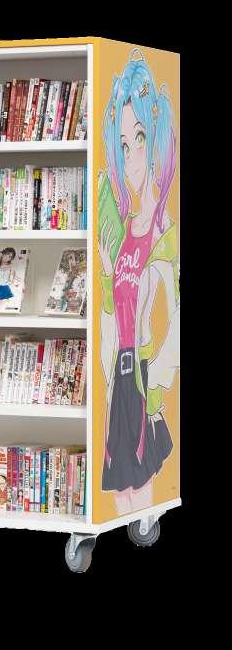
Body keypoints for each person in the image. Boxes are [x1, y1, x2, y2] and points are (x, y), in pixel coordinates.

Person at [99, 50, 179, 516]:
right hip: (121, 372)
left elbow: (172, 317)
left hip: (144, 374)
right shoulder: (125, 230)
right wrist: (107, 271)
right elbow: (116, 308)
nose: (131, 157)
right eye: (124, 144)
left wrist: (157, 387)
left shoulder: (164, 234)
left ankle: (145, 525)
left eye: (140, 138)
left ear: (158, 139)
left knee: (142, 484)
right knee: (119, 490)